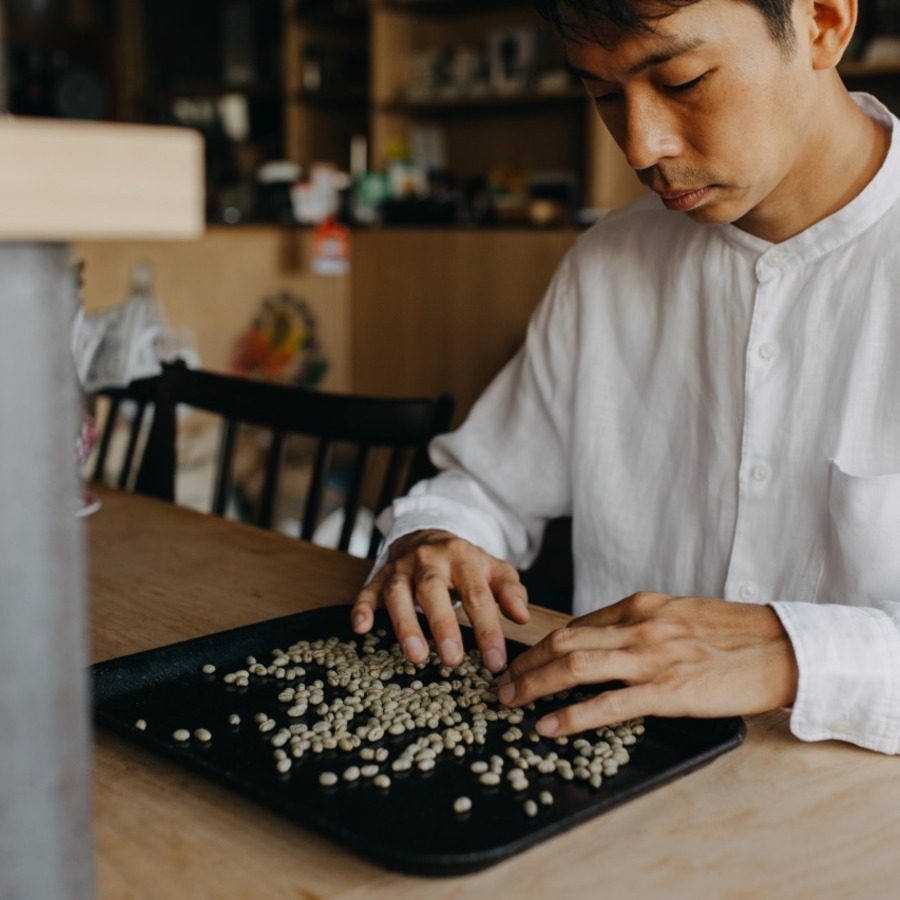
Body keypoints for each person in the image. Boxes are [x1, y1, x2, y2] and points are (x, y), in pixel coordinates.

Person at [352, 0, 900, 755]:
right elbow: (483, 487)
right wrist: (438, 537)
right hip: (610, 794)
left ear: (826, 22)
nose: (642, 147)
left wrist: (794, 651)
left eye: (683, 78)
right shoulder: (610, 262)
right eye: (604, 95)